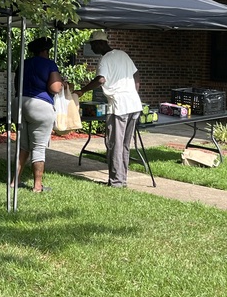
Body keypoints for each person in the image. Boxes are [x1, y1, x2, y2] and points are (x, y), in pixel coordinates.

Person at [75, 31, 143, 188]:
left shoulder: (105, 59)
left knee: (114, 144)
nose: (91, 48)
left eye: (92, 45)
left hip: (119, 107)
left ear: (100, 43)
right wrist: (133, 93)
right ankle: (122, 179)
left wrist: (82, 91)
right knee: (125, 145)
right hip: (133, 105)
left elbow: (101, 79)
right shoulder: (123, 54)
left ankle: (116, 182)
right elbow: (136, 75)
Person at [13, 37, 64, 193]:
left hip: (19, 104)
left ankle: (15, 181)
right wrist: (62, 83)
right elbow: (55, 88)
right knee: (39, 147)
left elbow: (17, 85)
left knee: (23, 146)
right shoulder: (49, 64)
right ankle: (37, 186)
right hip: (40, 106)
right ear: (45, 51)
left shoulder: (23, 63)